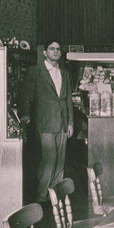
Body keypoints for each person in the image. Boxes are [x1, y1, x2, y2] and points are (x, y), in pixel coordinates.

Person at [19, 41, 74, 203]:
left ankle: (56, 191)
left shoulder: (64, 73)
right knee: (48, 160)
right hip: (45, 122)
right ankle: (42, 194)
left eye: (58, 49)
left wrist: (70, 122)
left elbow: (68, 99)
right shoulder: (35, 71)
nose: (56, 52)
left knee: (60, 160)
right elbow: (26, 95)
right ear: (45, 52)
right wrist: (25, 115)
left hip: (63, 122)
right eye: (52, 49)